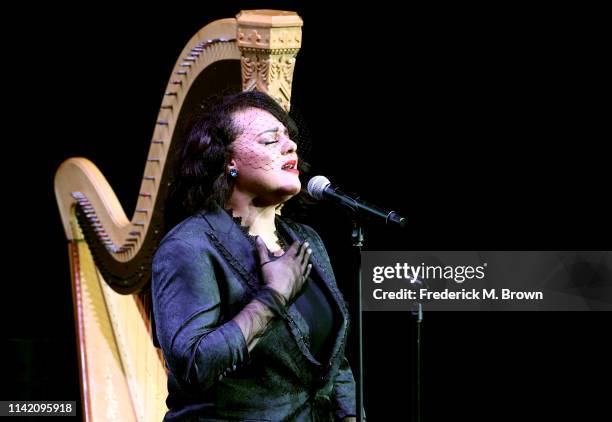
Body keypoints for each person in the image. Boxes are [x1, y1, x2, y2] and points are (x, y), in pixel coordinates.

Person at [151, 91, 357, 421]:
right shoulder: (189, 246)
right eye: (268, 140)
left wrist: (350, 415)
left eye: (289, 139)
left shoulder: (307, 241)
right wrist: (272, 298)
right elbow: (192, 366)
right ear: (227, 161)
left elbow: (335, 361)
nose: (289, 146)